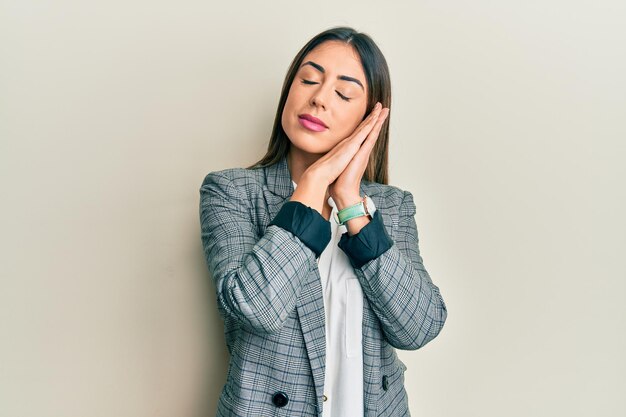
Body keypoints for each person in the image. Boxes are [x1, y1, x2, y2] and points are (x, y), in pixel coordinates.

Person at [199, 26, 448, 417]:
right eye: (309, 79)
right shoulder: (231, 191)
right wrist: (313, 185)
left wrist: (350, 203)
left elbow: (419, 327)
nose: (318, 98)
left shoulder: (392, 206)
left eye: (343, 93)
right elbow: (256, 308)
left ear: (370, 118)